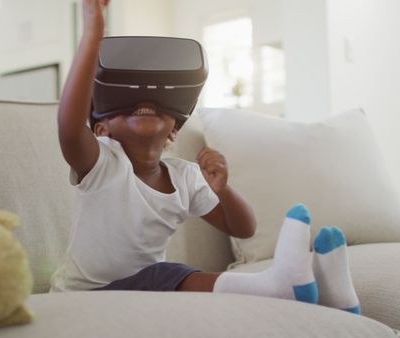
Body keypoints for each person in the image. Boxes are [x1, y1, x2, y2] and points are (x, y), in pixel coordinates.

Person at [50, 0, 361, 315]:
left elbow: (243, 228)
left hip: (145, 292)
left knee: (167, 277)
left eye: (159, 100)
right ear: (101, 130)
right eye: (127, 101)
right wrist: (93, 29)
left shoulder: (185, 177)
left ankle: (333, 301)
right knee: (168, 273)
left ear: (174, 129)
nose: (144, 98)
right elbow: (70, 126)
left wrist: (222, 190)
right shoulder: (102, 164)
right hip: (87, 297)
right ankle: (275, 287)